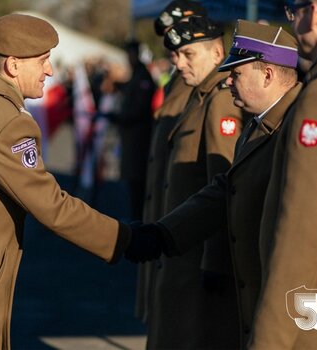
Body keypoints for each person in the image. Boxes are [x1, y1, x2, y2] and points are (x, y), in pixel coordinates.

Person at [0, 13, 137, 350]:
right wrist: (126, 238)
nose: (50, 71)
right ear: (13, 65)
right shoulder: (7, 122)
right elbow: (53, 207)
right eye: (43, 61)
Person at [125, 19, 301, 349]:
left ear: (267, 74)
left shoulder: (295, 127)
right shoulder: (259, 124)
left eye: (236, 74)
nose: (228, 81)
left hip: (287, 298)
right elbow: (225, 188)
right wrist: (164, 233)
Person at [145, 15, 247, 350]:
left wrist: (215, 263)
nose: (179, 62)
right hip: (180, 255)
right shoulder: (197, 95)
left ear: (218, 54)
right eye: (176, 55)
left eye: (189, 55)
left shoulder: (219, 101)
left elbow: (224, 182)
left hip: (196, 261)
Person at [249, 1, 317, 348]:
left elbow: (300, 233)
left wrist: (269, 340)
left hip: (309, 314)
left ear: (315, 13)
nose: (292, 19)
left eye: (295, 9)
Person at [135, 0, 207, 325]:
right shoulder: (179, 80)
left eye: (178, 33)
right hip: (167, 217)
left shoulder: (207, 87)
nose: (173, 44)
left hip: (186, 226)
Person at [112, 39, 156, 221]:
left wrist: (118, 117)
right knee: (132, 187)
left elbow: (140, 109)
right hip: (131, 138)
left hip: (139, 140)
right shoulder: (137, 75)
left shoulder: (143, 76)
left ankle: (138, 225)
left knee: (137, 185)